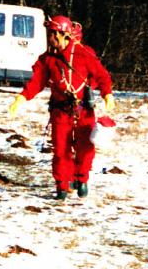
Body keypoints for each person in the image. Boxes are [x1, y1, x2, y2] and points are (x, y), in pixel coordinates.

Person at [9, 15, 115, 199]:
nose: (49, 38)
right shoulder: (48, 59)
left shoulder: (83, 54)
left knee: (85, 148)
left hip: (84, 110)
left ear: (61, 34)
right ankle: (62, 186)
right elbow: (37, 81)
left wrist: (108, 94)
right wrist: (22, 97)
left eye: (51, 34)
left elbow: (102, 75)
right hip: (60, 112)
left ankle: (81, 179)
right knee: (61, 150)